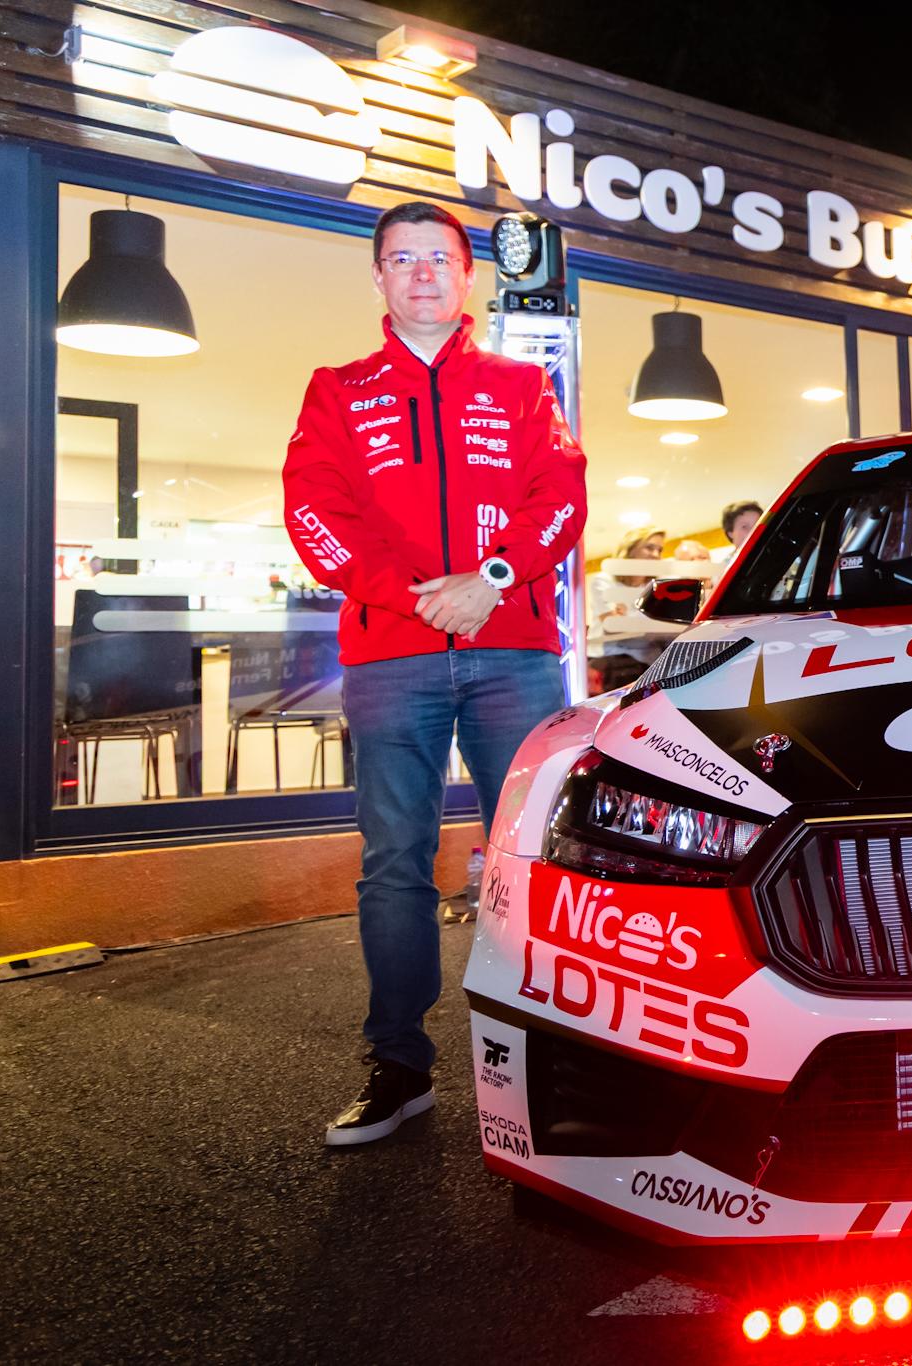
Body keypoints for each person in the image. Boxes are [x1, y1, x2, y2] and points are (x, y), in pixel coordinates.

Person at [284, 201, 588, 1143]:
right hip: (391, 658)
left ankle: (559, 1054)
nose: (420, 272)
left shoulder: (522, 386)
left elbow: (561, 497)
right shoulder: (337, 389)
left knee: (538, 861)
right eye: (400, 258)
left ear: (468, 277)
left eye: (438, 258)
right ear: (378, 276)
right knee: (394, 866)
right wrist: (422, 594)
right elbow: (315, 513)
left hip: (516, 654)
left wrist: (491, 580)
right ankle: (399, 1066)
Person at [711, 499, 763, 570]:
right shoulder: (723, 569)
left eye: (757, 525)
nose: (754, 531)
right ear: (730, 533)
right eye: (745, 527)